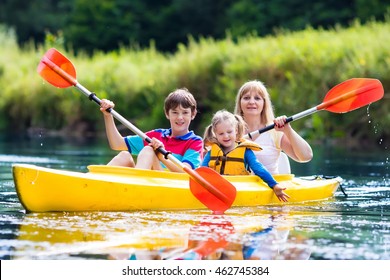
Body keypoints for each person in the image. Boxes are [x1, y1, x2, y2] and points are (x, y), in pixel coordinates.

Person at [99, 88, 203, 172]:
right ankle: (94, 183)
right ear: (167, 114)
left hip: (168, 187)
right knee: (124, 156)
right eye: (175, 112)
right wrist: (108, 116)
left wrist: (161, 155)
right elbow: (117, 144)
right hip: (149, 183)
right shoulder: (157, 135)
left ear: (193, 114)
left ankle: (135, 188)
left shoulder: (195, 142)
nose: (180, 117)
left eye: (185, 113)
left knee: (149, 150)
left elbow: (185, 172)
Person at [202, 109, 289, 202]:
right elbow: (201, 170)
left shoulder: (245, 151)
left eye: (229, 132)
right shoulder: (212, 152)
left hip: (240, 190)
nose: (226, 136)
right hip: (218, 191)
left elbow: (258, 168)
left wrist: (274, 185)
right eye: (221, 133)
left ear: (235, 130)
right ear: (215, 134)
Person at [234, 80, 313, 174]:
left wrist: (288, 130)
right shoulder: (228, 130)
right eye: (246, 98)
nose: (251, 102)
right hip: (238, 185)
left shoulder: (275, 131)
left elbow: (306, 157)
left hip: (271, 186)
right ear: (240, 102)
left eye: (257, 98)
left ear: (264, 103)